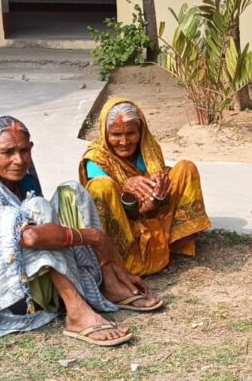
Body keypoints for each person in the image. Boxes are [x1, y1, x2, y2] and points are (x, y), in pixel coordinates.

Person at [0, 116, 163, 347]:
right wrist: (95, 237)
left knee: (72, 191)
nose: (18, 160)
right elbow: (31, 237)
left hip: (40, 280)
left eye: (24, 151)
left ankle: (109, 282)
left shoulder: (22, 179)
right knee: (36, 211)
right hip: (15, 298)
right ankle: (76, 311)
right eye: (7, 153)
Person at [79, 99, 211, 276]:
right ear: (105, 133)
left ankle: (169, 245)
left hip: (151, 215)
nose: (124, 142)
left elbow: (153, 200)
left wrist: (158, 195)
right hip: (123, 224)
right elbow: (110, 206)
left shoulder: (148, 148)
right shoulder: (97, 159)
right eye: (116, 135)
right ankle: (114, 260)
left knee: (186, 168)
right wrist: (124, 189)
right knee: (101, 186)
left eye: (131, 133)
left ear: (140, 131)